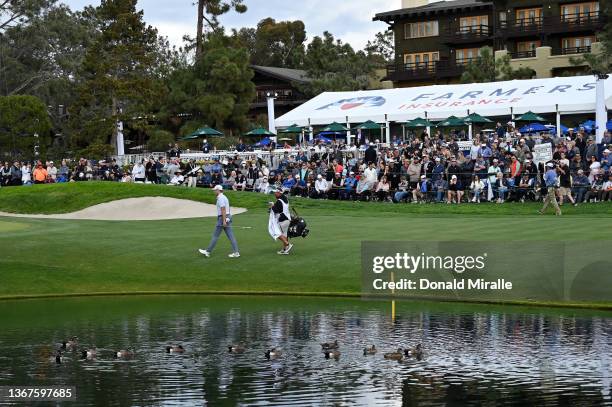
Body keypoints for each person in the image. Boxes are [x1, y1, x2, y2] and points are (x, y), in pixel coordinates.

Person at [199, 185, 240, 258]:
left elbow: (223, 209)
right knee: (231, 236)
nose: (214, 191)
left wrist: (224, 221)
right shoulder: (223, 197)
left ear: (218, 190)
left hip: (223, 218)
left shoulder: (221, 198)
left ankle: (208, 251)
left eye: (215, 190)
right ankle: (236, 252)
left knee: (215, 235)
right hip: (227, 217)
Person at [269, 187, 293, 255]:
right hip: (287, 219)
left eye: (276, 193)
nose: (275, 194)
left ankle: (288, 244)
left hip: (283, 220)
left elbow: (275, 210)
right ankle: (285, 249)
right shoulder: (285, 199)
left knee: (276, 233)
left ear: (279, 193)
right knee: (284, 235)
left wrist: (272, 205)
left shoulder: (279, 201)